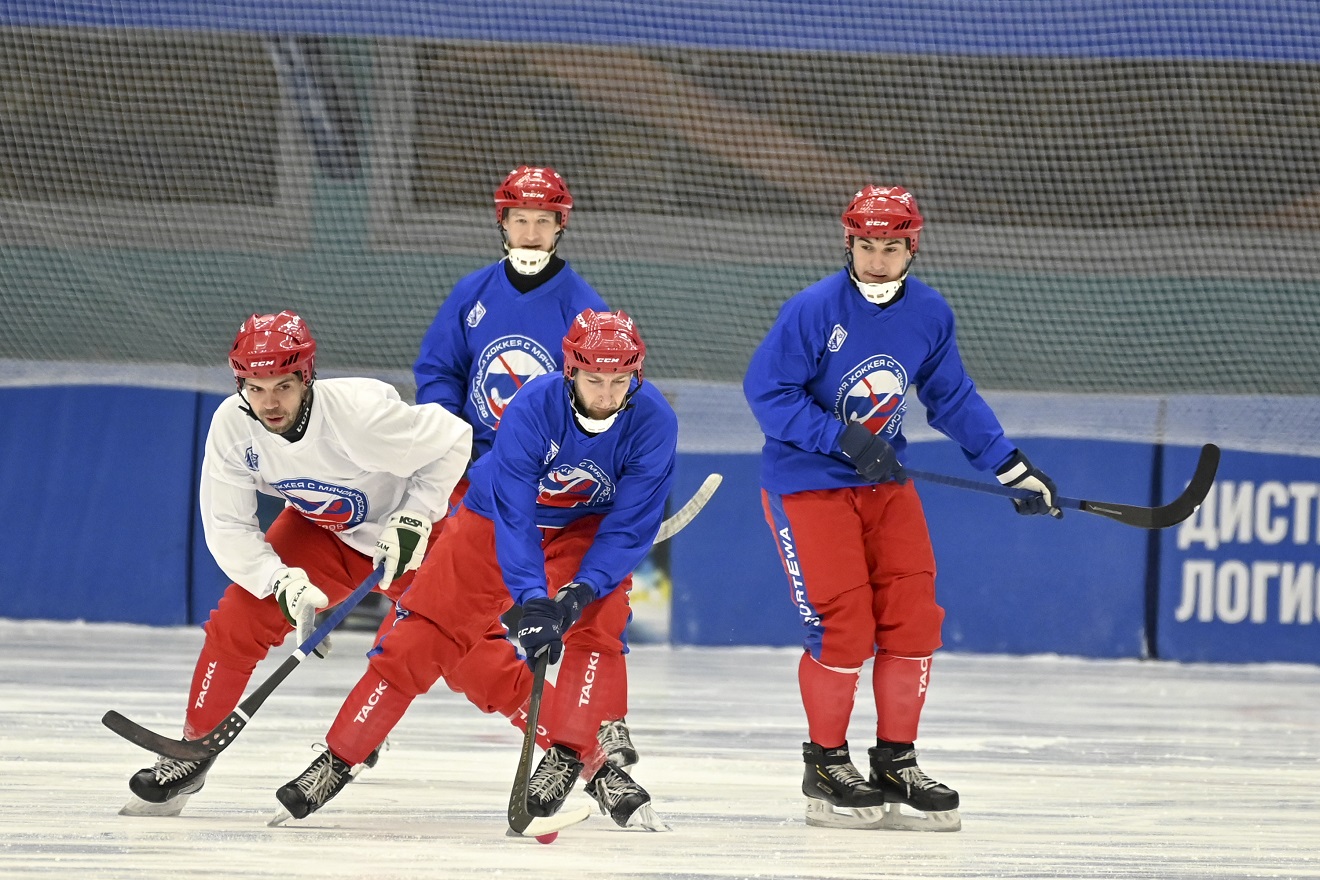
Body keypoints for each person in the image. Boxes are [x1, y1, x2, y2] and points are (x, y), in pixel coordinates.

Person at [274, 310, 676, 831]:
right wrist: (532, 595)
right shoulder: (533, 405)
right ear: (570, 370)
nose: (606, 394)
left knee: (597, 624)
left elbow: (629, 526)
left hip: (587, 527)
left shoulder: (654, 421)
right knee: (422, 634)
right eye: (594, 379)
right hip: (495, 518)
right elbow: (513, 514)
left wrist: (579, 591)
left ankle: (573, 754)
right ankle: (339, 757)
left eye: (619, 380)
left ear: (636, 376)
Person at [742, 185, 1063, 832]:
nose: (878, 260)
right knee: (844, 625)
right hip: (809, 484)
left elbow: (953, 397)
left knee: (913, 618)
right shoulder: (813, 309)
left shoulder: (929, 314)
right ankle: (827, 763)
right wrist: (845, 437)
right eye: (867, 246)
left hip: (885, 486)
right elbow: (767, 391)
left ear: (911, 246)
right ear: (849, 243)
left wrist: (1010, 465)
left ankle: (895, 760)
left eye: (891, 247)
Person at [121, 310, 474, 817]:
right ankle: (193, 749)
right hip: (324, 530)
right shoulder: (232, 426)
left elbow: (455, 439)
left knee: (465, 658)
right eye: (256, 388)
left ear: (306, 376)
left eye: (283, 386)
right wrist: (280, 581)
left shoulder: (359, 415)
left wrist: (416, 515)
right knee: (240, 617)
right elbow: (228, 528)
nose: (270, 403)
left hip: (418, 535)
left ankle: (583, 755)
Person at [413, 165, 637, 770]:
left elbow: (606, 397)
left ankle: (593, 726)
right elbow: (439, 372)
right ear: (503, 223)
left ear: (560, 227)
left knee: (577, 605)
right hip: (472, 473)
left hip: (547, 486)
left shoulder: (583, 306)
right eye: (521, 220)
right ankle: (383, 713)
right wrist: (451, 437)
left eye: (543, 222)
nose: (532, 233)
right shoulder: (472, 293)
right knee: (439, 605)